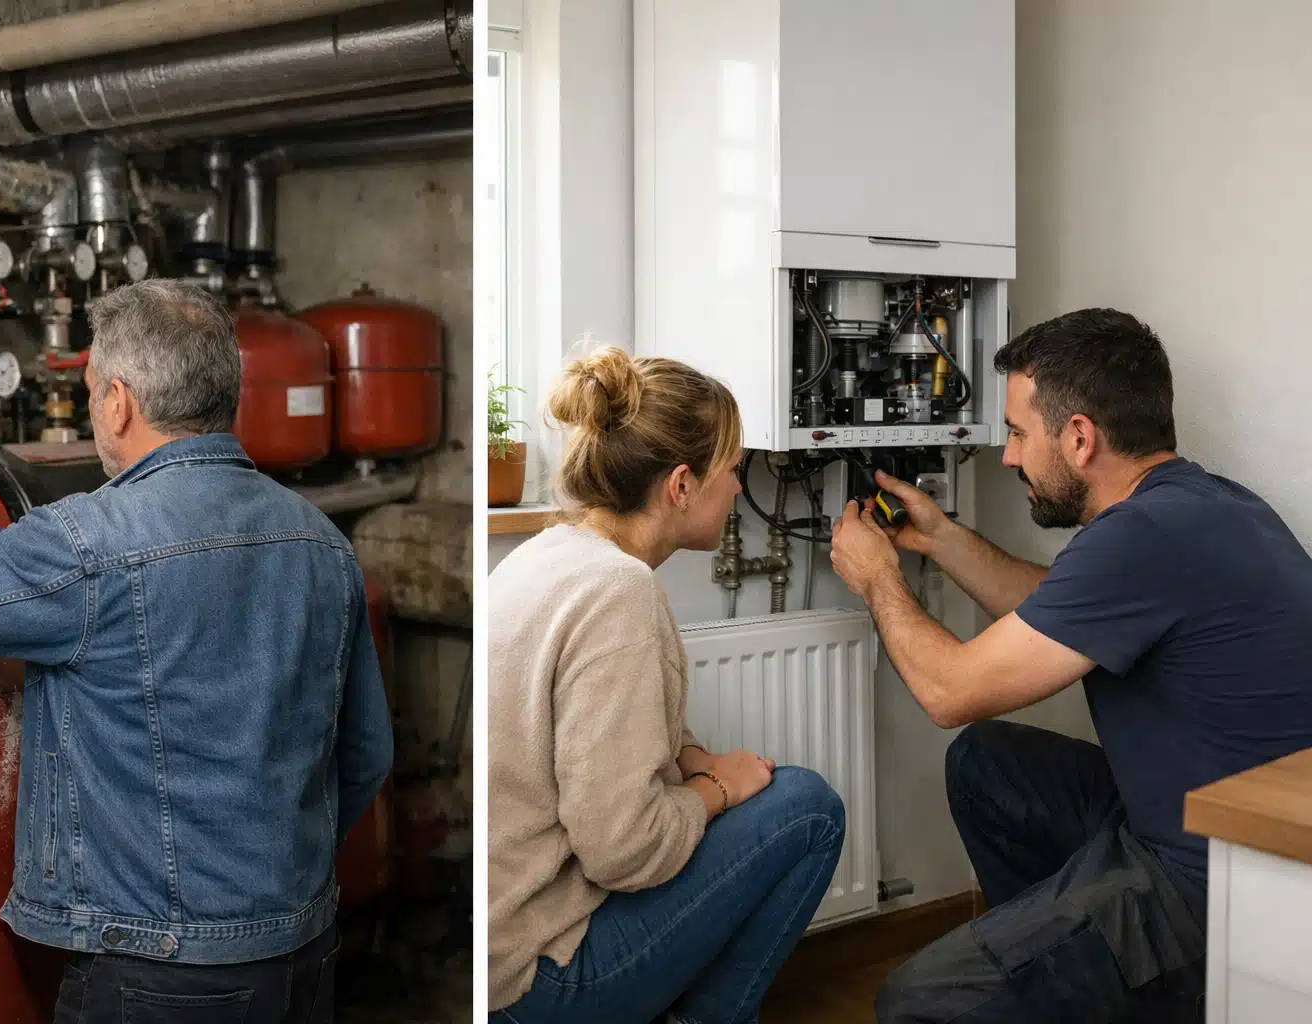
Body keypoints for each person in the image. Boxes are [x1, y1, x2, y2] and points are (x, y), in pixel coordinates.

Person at [0, 279, 392, 1024]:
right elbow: (364, 751)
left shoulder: (92, 543)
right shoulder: (321, 542)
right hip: (301, 948)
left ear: (117, 402)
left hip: (159, 973)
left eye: (96, 384)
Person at [826, 308, 1312, 1022]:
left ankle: (1124, 976)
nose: (1009, 457)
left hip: (1211, 887)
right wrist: (942, 540)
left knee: (919, 1003)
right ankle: (1063, 975)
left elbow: (948, 691)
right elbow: (1057, 614)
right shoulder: (1203, 505)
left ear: (1079, 437)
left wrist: (877, 579)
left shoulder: (1142, 535)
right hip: (1180, 825)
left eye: (1020, 434)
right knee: (986, 764)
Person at [488, 346, 846, 1024]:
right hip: (536, 979)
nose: (739, 489)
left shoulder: (551, 555)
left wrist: (694, 759)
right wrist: (720, 789)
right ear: (681, 485)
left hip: (492, 949)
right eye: (732, 470)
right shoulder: (616, 590)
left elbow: (601, 725)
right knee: (808, 808)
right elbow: (624, 850)